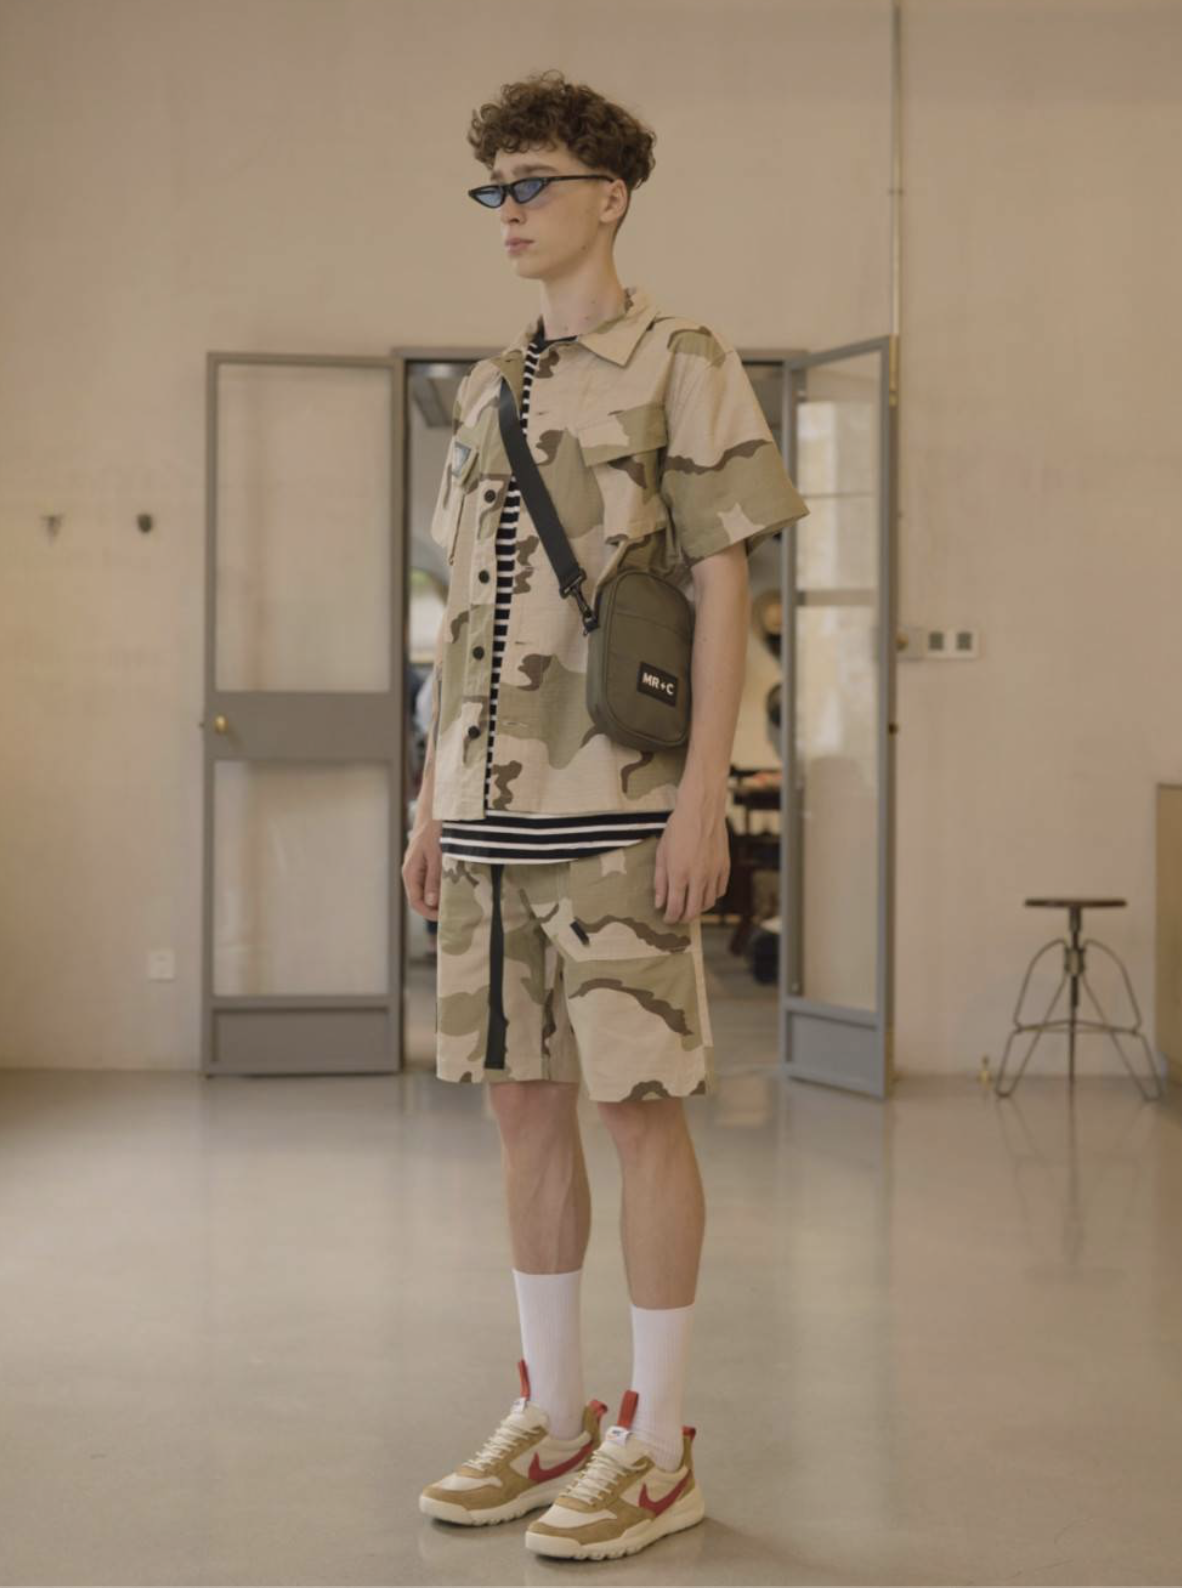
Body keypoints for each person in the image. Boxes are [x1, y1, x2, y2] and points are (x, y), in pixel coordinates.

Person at [403, 69, 809, 1562]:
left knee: (640, 1112)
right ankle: (553, 1413)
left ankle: (656, 1439)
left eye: (532, 184)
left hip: (620, 815)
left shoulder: (682, 361)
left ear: (609, 196)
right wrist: (429, 798)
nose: (507, 211)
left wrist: (705, 792)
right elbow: (463, 622)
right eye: (493, 189)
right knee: (520, 1113)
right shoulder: (483, 392)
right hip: (485, 822)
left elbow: (722, 584)